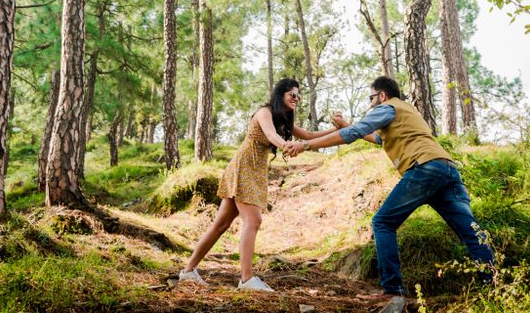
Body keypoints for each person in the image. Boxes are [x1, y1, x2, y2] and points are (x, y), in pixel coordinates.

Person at [285, 75, 495, 302]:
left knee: (382, 222)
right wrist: (347, 124)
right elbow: (378, 138)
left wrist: (306, 144)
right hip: (447, 169)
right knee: (471, 233)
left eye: (371, 97)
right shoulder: (407, 110)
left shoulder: (387, 107)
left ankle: (392, 291)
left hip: (424, 169)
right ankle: (494, 288)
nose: (370, 102)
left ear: (382, 95)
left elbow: (352, 135)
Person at [178, 77, 339, 291]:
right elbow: (272, 136)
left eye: (299, 96)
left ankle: (188, 271)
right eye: (293, 95)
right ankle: (246, 279)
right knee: (253, 220)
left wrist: (336, 130)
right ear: (281, 94)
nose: (296, 99)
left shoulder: (284, 119)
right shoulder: (264, 112)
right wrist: (286, 145)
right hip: (244, 167)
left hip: (254, 171)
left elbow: (309, 135)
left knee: (221, 225)